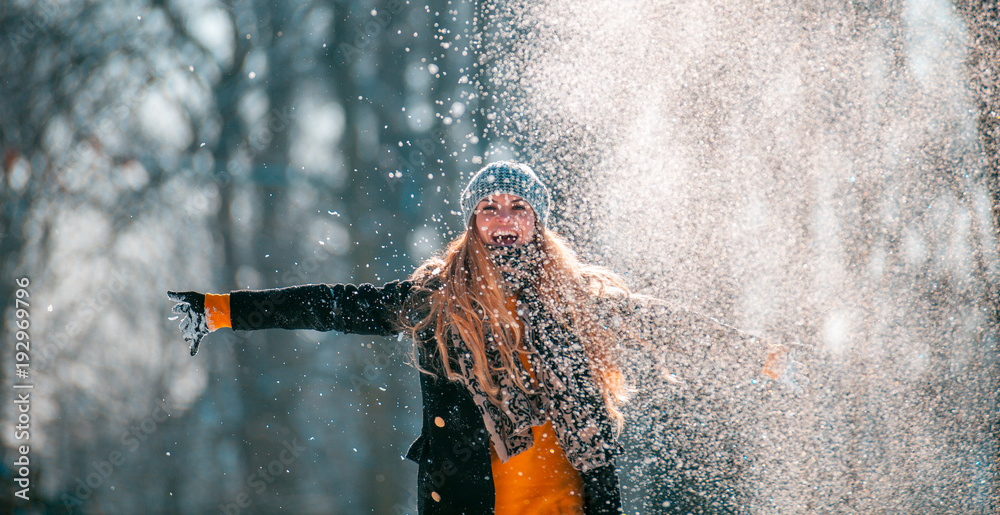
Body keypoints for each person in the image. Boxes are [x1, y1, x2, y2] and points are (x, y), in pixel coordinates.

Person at [169, 161, 792, 514]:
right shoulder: (437, 303)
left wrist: (759, 356)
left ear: (537, 223)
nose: (502, 220)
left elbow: (663, 325)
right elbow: (338, 305)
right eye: (489, 208)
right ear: (472, 222)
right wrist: (224, 310)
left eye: (517, 208)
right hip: (471, 504)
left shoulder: (578, 301)